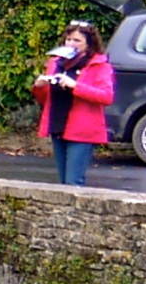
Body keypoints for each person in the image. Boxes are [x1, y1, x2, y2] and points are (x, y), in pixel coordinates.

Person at [33, 19, 113, 186]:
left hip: (82, 130)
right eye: (69, 39)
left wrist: (75, 85)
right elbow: (46, 99)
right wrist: (39, 86)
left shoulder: (99, 65)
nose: (71, 44)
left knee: (73, 182)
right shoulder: (56, 62)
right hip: (58, 125)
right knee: (63, 182)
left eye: (77, 40)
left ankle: (76, 213)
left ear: (89, 44)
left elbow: (106, 97)